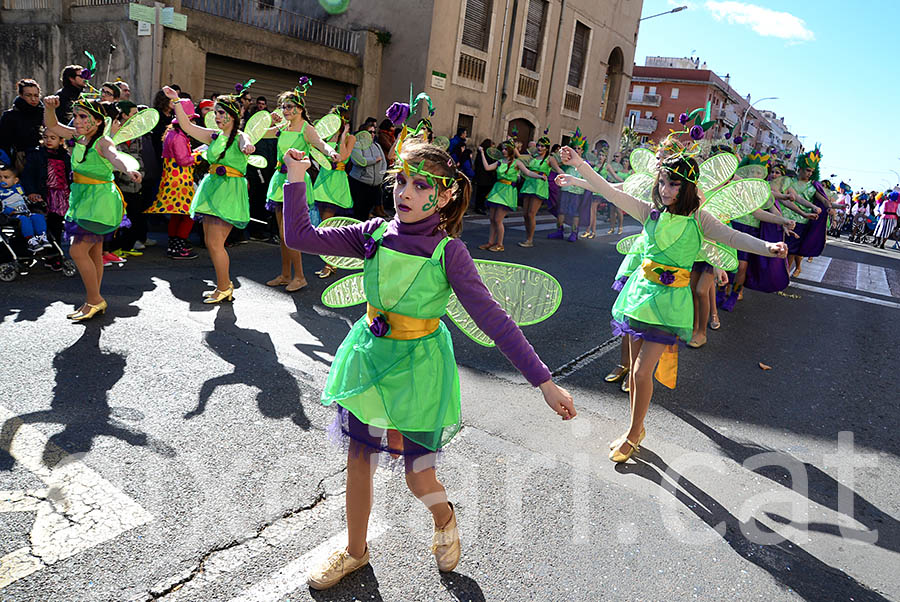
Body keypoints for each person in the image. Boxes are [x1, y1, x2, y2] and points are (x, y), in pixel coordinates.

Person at [279, 140, 575, 590]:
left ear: (443, 196)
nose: (406, 192)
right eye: (401, 180)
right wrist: (296, 176)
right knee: (360, 457)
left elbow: (494, 320)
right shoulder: (374, 233)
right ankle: (355, 552)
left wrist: (545, 382)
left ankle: (444, 515)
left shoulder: (448, 252)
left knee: (419, 477)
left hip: (420, 368)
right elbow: (300, 237)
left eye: (420, 185)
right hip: (370, 358)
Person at [557, 147, 786, 463]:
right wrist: (579, 165)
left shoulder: (699, 219)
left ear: (688, 187)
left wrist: (768, 247)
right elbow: (608, 191)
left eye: (673, 185)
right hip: (640, 297)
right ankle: (634, 429)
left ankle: (635, 432)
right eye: (663, 182)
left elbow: (733, 237)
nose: (665, 190)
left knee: (639, 373)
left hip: (671, 303)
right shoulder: (648, 211)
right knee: (638, 373)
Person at [42, 94, 142, 320]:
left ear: (98, 121)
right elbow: (51, 125)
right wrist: (49, 107)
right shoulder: (79, 136)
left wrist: (128, 169)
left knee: (78, 251)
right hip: (82, 198)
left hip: (100, 201)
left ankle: (95, 300)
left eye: (83, 116)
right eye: (76, 116)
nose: (77, 121)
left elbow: (116, 157)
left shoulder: (103, 141)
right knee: (94, 250)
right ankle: (93, 300)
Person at [163, 85, 255, 303]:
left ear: (233, 114)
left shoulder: (240, 136)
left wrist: (248, 146)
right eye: (215, 112)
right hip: (212, 189)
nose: (217, 116)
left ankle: (224, 287)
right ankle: (224, 285)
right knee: (211, 242)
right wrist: (176, 101)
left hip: (230, 191)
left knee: (215, 244)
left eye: (221, 112)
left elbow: (246, 141)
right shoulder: (213, 136)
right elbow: (186, 125)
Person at [261, 77, 339, 291]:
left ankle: (300, 276)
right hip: (279, 179)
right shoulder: (282, 127)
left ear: (300, 108)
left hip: (295, 179)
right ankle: (286, 274)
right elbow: (256, 134)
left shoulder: (306, 128)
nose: (285, 110)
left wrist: (331, 151)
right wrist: (269, 119)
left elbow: (321, 143)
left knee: (290, 233)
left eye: (289, 106)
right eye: (283, 106)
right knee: (281, 233)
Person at [145, 98, 199, 260]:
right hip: (180, 181)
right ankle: (179, 247)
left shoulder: (172, 133)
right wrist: (199, 156)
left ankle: (174, 245)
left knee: (177, 214)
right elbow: (183, 160)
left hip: (171, 180)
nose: (193, 124)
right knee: (189, 214)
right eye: (191, 120)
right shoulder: (179, 137)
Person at [312, 97, 357, 279]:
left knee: (329, 226)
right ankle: (331, 261)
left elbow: (344, 156)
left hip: (337, 184)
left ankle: (330, 264)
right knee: (322, 226)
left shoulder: (350, 137)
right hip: (323, 180)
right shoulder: (325, 136)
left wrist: (343, 135)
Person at [21, 128, 72, 255]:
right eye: (45, 137)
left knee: (56, 226)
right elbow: (28, 175)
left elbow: (70, 176)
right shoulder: (36, 154)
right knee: (40, 223)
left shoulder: (66, 156)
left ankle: (54, 255)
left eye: (53, 138)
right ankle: (32, 251)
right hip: (42, 194)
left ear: (61, 141)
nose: (48, 140)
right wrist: (31, 192)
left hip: (60, 196)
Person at [478, 139, 531, 252]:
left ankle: (500, 244)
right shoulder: (500, 162)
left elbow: (527, 172)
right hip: (497, 190)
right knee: (492, 218)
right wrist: (482, 153)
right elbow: (487, 168)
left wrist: (540, 176)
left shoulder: (517, 163)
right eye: (502, 148)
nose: (503, 151)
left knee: (498, 220)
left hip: (507, 192)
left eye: (506, 149)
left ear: (511, 150)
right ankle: (490, 242)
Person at [547, 129, 588, 242]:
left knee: (574, 213)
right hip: (565, 189)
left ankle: (574, 233)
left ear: (582, 150)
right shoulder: (566, 161)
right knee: (561, 211)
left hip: (577, 192)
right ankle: (559, 231)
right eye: (574, 148)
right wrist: (560, 167)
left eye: (579, 148)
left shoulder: (585, 164)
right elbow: (552, 160)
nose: (576, 150)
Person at [1, 164, 52, 253]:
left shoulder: (18, 188)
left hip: (24, 211)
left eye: (6, 177)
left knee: (38, 216)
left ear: (15, 180)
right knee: (24, 220)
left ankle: (41, 237)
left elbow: (23, 199)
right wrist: (9, 211)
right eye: (0, 177)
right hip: (9, 216)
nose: (2, 180)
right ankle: (30, 240)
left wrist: (33, 200)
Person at [0, 79, 44, 173]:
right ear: (21, 95)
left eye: (36, 95)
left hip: (43, 160)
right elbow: (4, 145)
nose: (33, 99)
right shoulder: (10, 116)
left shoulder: (44, 113)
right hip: (19, 162)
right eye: (28, 95)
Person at [349, 119, 387, 222]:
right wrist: (374, 160)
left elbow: (383, 161)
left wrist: (380, 175)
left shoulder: (376, 145)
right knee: (358, 212)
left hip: (374, 185)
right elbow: (359, 161)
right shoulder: (357, 144)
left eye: (374, 132)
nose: (373, 134)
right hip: (360, 183)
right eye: (370, 132)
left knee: (366, 213)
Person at [517, 133, 552, 247]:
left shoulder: (549, 159)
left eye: (542, 146)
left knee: (531, 213)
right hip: (529, 183)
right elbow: (519, 158)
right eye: (539, 145)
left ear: (547, 148)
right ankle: (527, 237)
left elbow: (559, 168)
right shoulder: (533, 157)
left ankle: (530, 240)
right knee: (525, 214)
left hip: (539, 186)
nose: (540, 148)